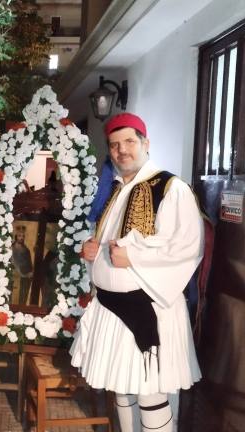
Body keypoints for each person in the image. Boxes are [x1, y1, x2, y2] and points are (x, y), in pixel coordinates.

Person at [70, 113, 203, 432]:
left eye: (129, 141)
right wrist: (92, 250)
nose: (122, 150)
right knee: (122, 388)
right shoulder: (116, 190)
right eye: (114, 145)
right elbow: (109, 243)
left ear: (146, 143)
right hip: (110, 307)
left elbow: (188, 247)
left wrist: (133, 256)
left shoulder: (171, 188)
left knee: (150, 396)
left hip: (147, 309)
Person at [11, 226, 34, 304]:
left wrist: (31, 272)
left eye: (23, 236)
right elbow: (13, 262)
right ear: (16, 236)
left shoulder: (26, 250)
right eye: (19, 236)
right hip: (16, 275)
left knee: (23, 298)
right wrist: (21, 273)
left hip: (26, 277)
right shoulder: (12, 248)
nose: (21, 238)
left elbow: (30, 263)